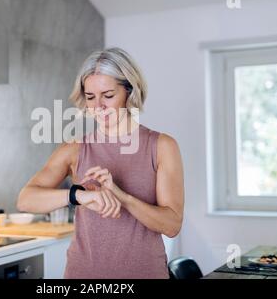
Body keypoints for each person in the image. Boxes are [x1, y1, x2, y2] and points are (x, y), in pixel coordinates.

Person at [17, 47, 184, 279]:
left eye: (108, 95)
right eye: (90, 97)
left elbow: (172, 225)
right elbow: (26, 199)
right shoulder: (74, 149)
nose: (98, 107)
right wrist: (81, 196)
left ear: (129, 91)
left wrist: (123, 198)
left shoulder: (162, 146)